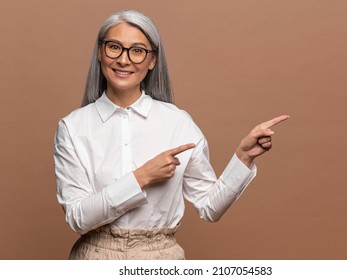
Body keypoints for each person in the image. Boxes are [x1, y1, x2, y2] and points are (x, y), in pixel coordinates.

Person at [53, 10, 289, 260]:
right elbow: (78, 219)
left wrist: (243, 158)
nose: (124, 60)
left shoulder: (178, 123)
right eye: (114, 47)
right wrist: (142, 177)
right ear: (100, 53)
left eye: (137, 50)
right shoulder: (72, 127)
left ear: (152, 60)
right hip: (95, 258)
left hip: (161, 258)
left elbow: (210, 207)